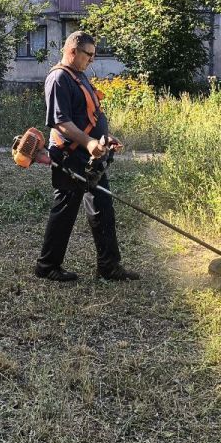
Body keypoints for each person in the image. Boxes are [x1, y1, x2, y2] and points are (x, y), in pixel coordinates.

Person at [34, 31, 140, 282]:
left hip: (91, 157)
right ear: (73, 51)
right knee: (65, 210)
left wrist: (103, 137)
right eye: (88, 54)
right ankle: (47, 266)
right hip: (70, 156)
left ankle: (109, 267)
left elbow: (87, 117)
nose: (92, 59)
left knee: (102, 208)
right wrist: (89, 141)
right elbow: (60, 122)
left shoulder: (78, 76)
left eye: (94, 55)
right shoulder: (59, 78)